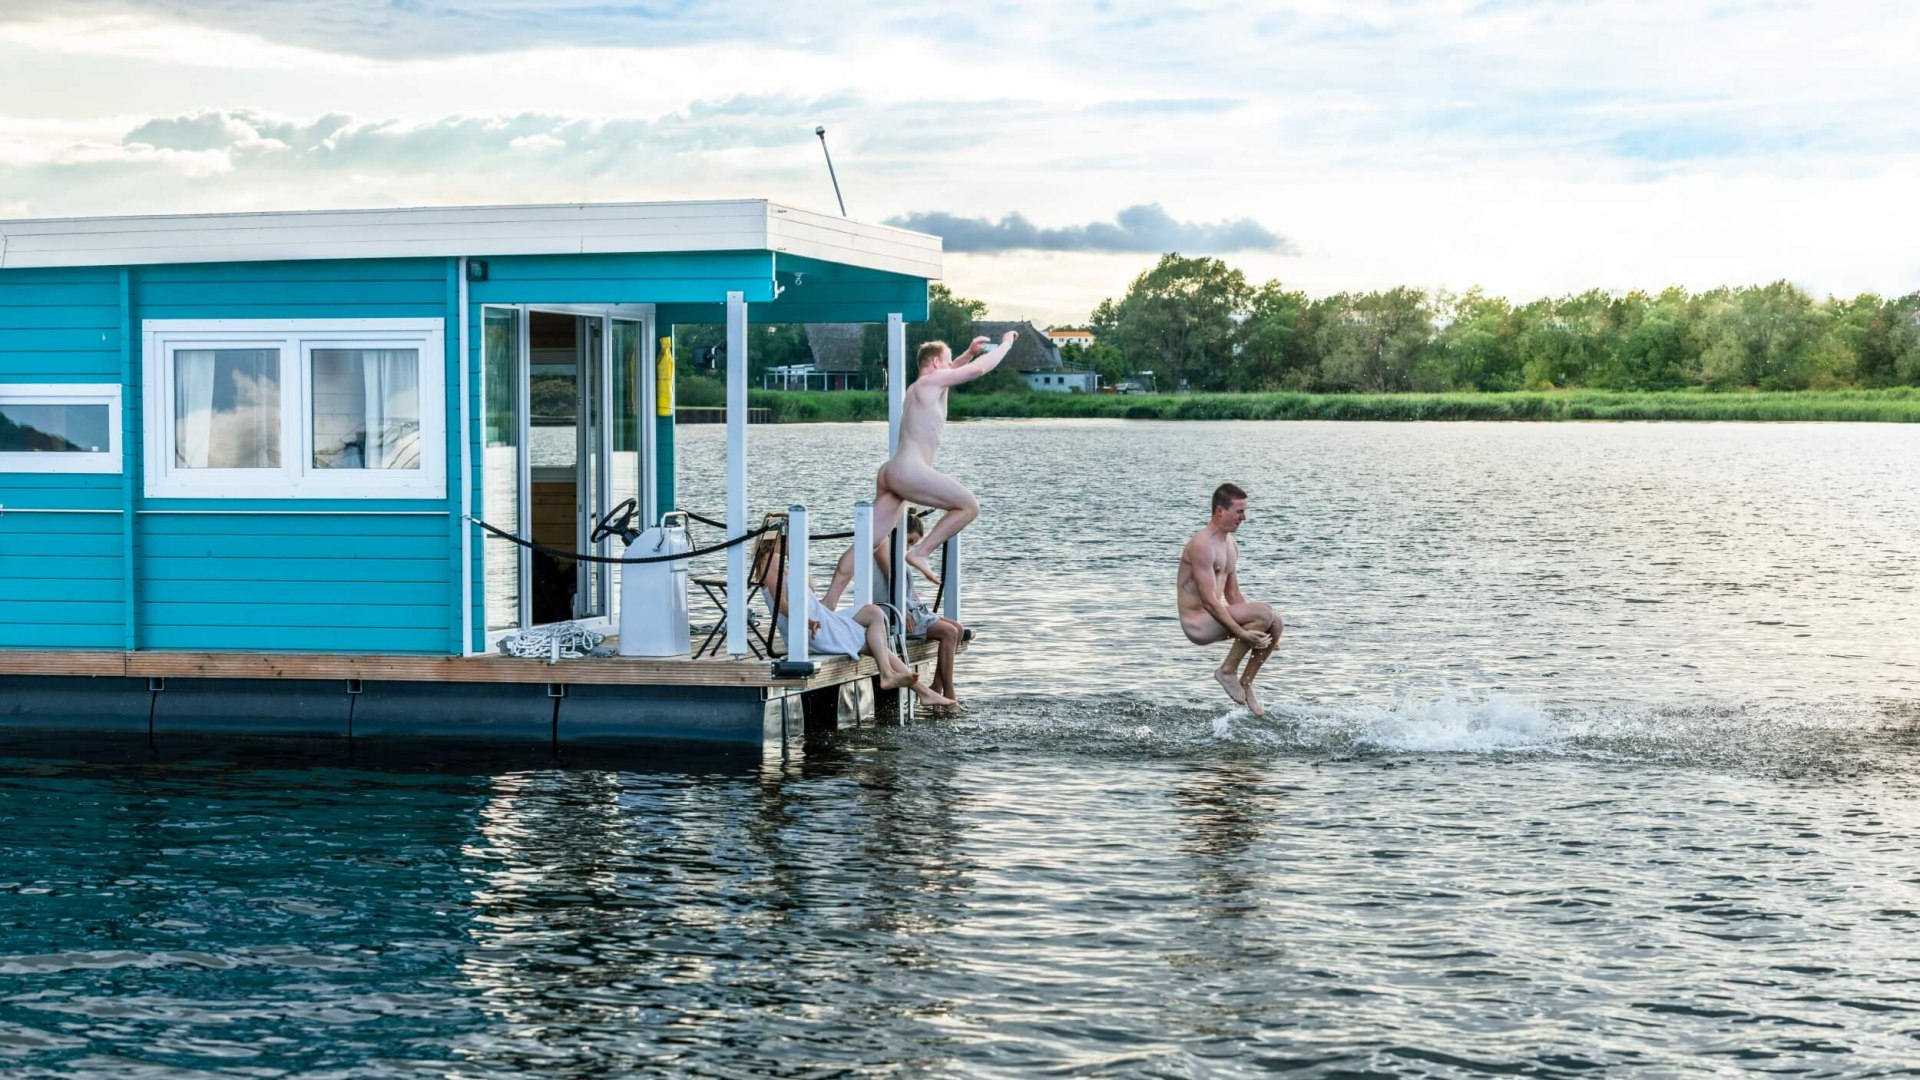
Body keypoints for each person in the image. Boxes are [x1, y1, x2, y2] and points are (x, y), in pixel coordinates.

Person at [822, 330, 1018, 609]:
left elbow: (955, 369)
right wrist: (1006, 344)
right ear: (936, 363)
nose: (952, 366)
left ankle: (829, 601)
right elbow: (979, 371)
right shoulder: (931, 383)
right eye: (948, 361)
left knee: (871, 541)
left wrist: (968, 352)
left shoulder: (917, 388)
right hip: (909, 470)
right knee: (969, 506)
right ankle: (922, 552)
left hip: (892, 471)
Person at [752, 528, 955, 708]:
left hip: (823, 621)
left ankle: (902, 681)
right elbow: (782, 604)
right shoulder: (770, 559)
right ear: (779, 537)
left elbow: (810, 593)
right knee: (873, 640)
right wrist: (808, 622)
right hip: (814, 629)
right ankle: (917, 689)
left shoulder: (783, 564)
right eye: (791, 537)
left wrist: (798, 559)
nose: (796, 541)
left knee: (874, 612)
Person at [1177, 482, 1282, 717]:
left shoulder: (1230, 545)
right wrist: (1243, 633)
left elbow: (1232, 595)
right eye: (1239, 511)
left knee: (1275, 622)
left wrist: (1268, 632)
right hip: (1197, 623)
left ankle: (1246, 682)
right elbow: (1208, 601)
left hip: (1215, 616)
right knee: (1264, 613)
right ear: (1220, 511)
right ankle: (1227, 671)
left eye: (1245, 511)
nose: (1243, 517)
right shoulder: (1201, 545)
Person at [898, 509, 966, 704]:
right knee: (949, 633)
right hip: (904, 613)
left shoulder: (901, 556)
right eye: (909, 541)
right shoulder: (888, 552)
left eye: (913, 544)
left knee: (958, 629)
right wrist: (902, 611)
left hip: (914, 609)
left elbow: (909, 591)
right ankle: (950, 695)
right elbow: (889, 586)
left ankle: (937, 686)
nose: (909, 546)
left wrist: (921, 608)